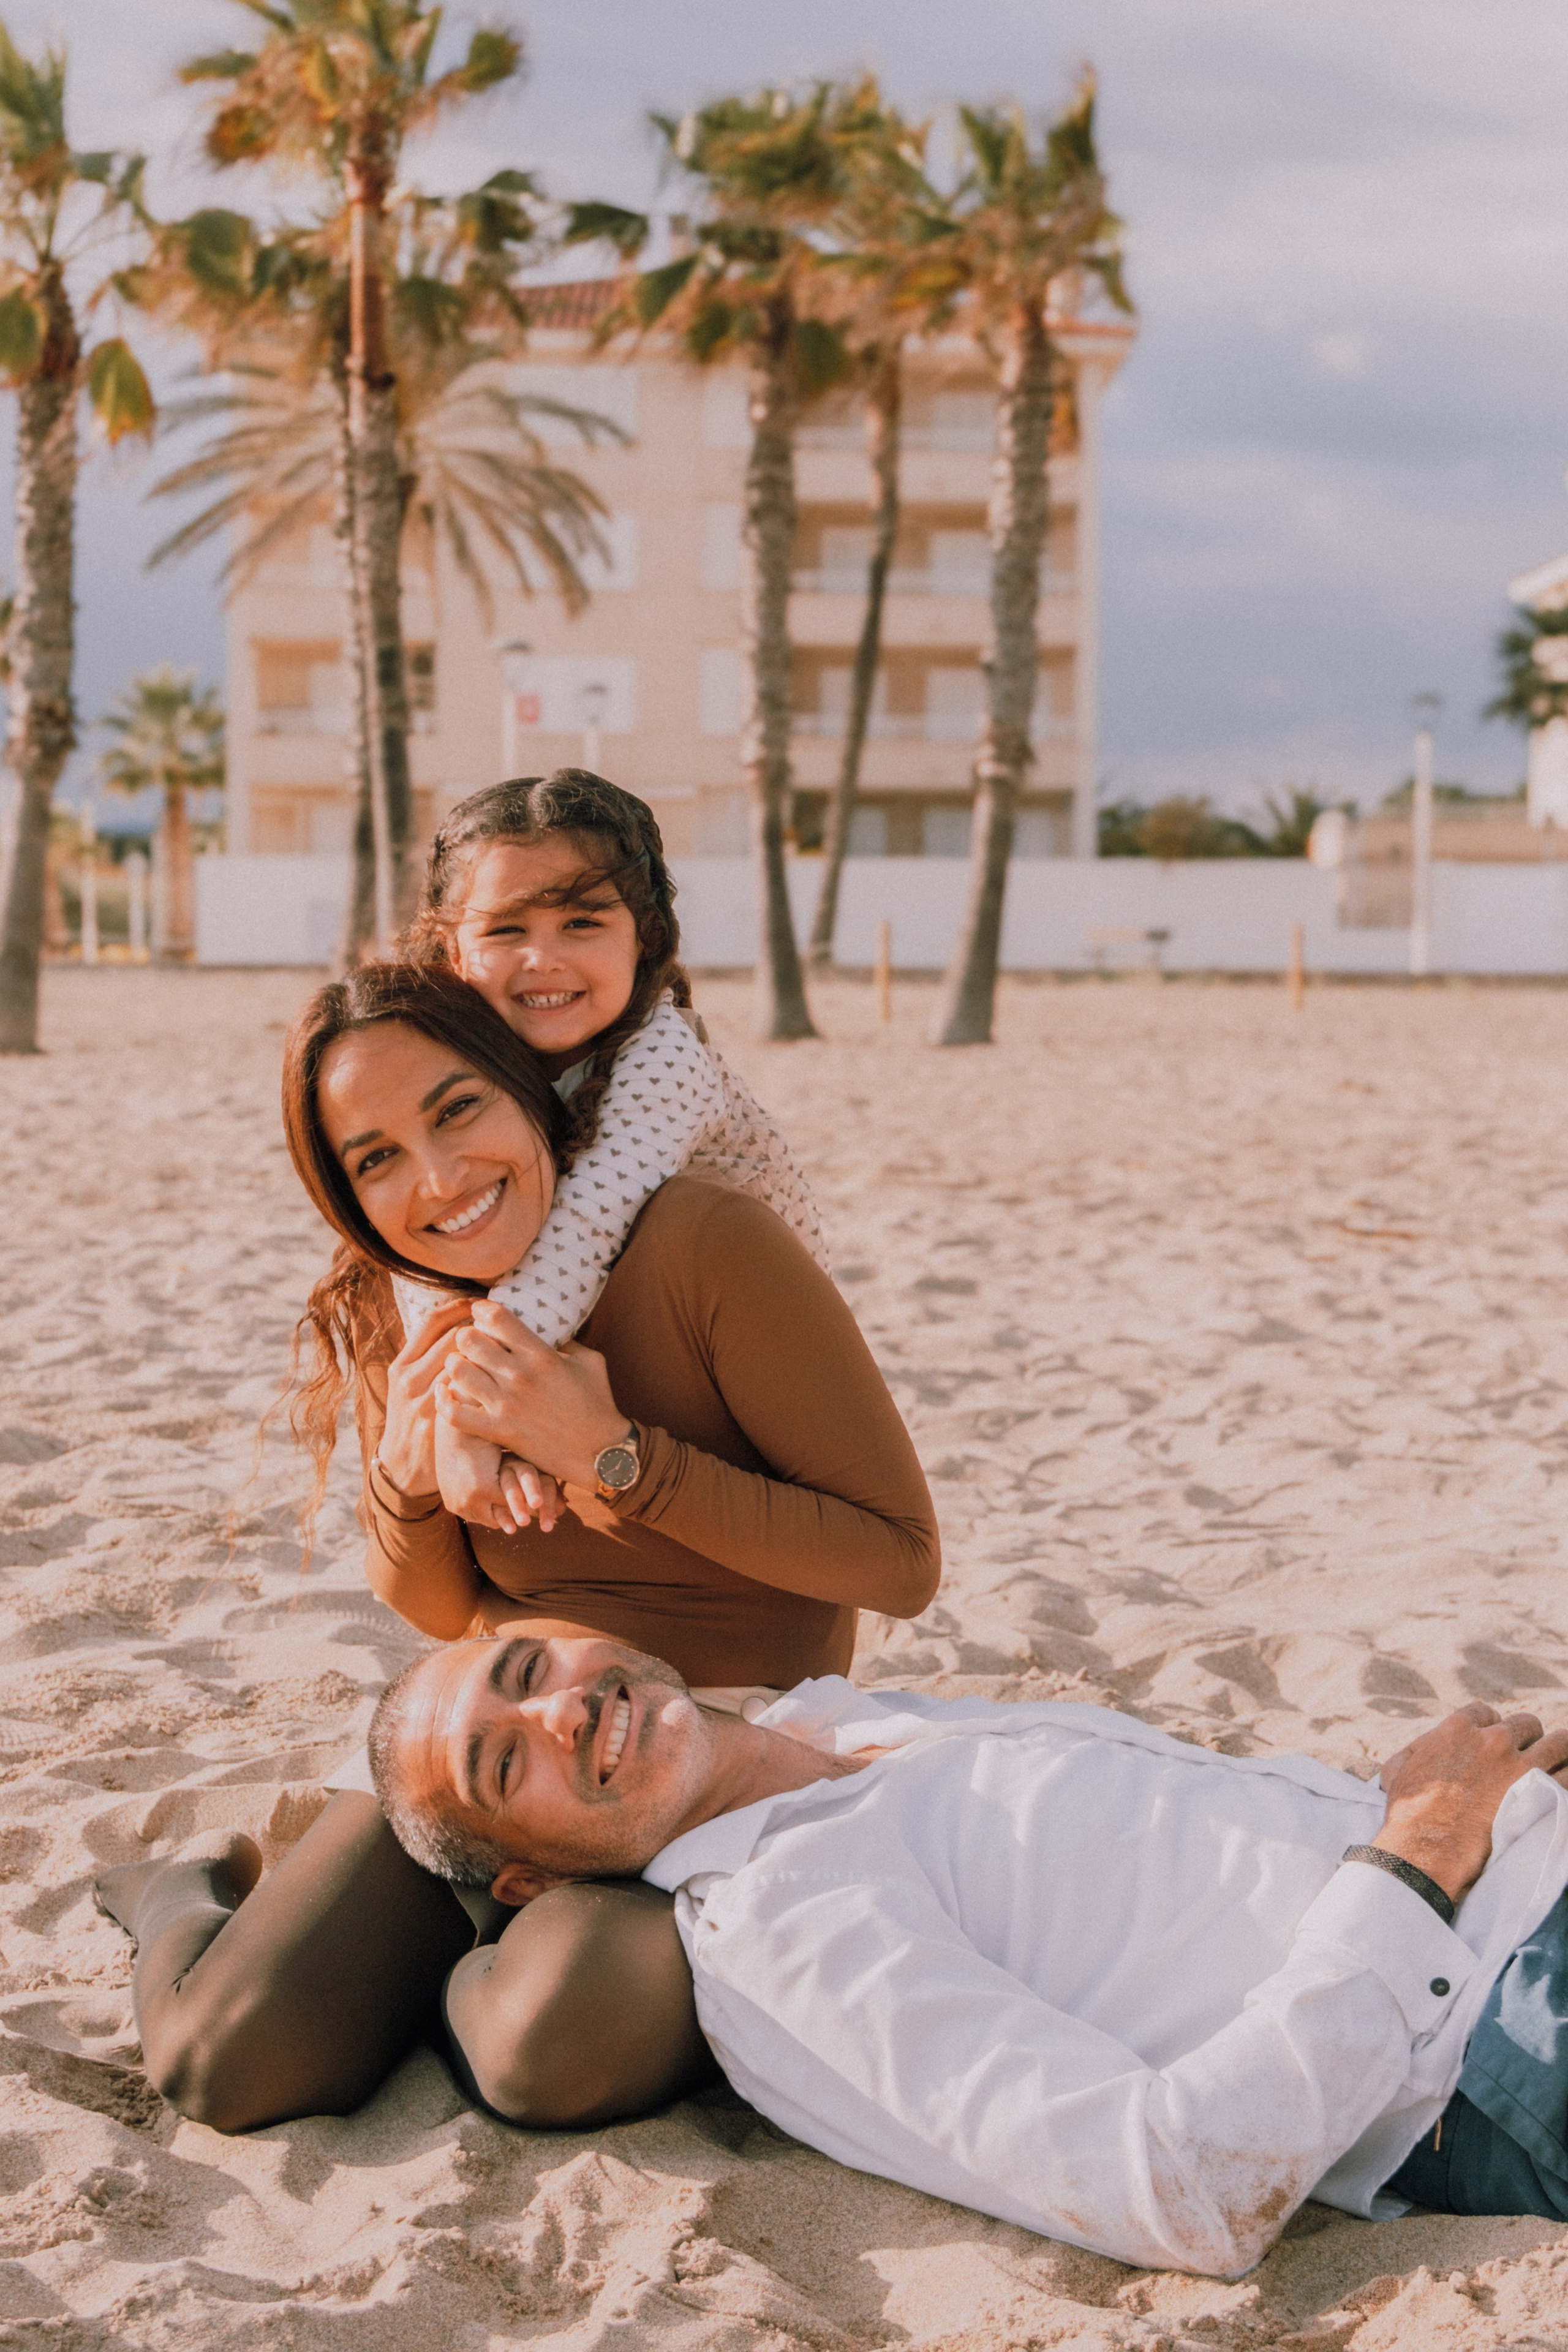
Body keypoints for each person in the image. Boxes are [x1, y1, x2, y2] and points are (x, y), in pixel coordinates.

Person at [92, 962, 939, 2134]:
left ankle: (445, 1979)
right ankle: (185, 1891)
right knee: (224, 2063)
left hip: (699, 1757)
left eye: (458, 1110)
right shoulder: (416, 1301)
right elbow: (444, 1614)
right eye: (377, 1160)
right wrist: (406, 1478)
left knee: (558, 2041)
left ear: (528, 1091)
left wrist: (615, 1457)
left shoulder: (703, 1243)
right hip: (489, 1758)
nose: (439, 1180)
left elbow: (901, 1561)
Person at [368, 1630, 1568, 2280]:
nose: (561, 1711)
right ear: (529, 1882)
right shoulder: (779, 1933)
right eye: (504, 1761)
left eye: (527, 1671)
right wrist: (1418, 1852)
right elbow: (1180, 2191)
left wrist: (1441, 1813)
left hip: (1514, 1865)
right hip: (1498, 2034)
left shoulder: (845, 1721)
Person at [397, 769, 826, 1533]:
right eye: (505, 931)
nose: (543, 958)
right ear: (451, 948)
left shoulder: (665, 1056)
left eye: (581, 923)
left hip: (751, 1374)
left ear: (644, 936)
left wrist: (467, 1421)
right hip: (603, 1338)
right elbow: (419, 1243)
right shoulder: (455, 1053)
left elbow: (584, 1232)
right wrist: (449, 1412)